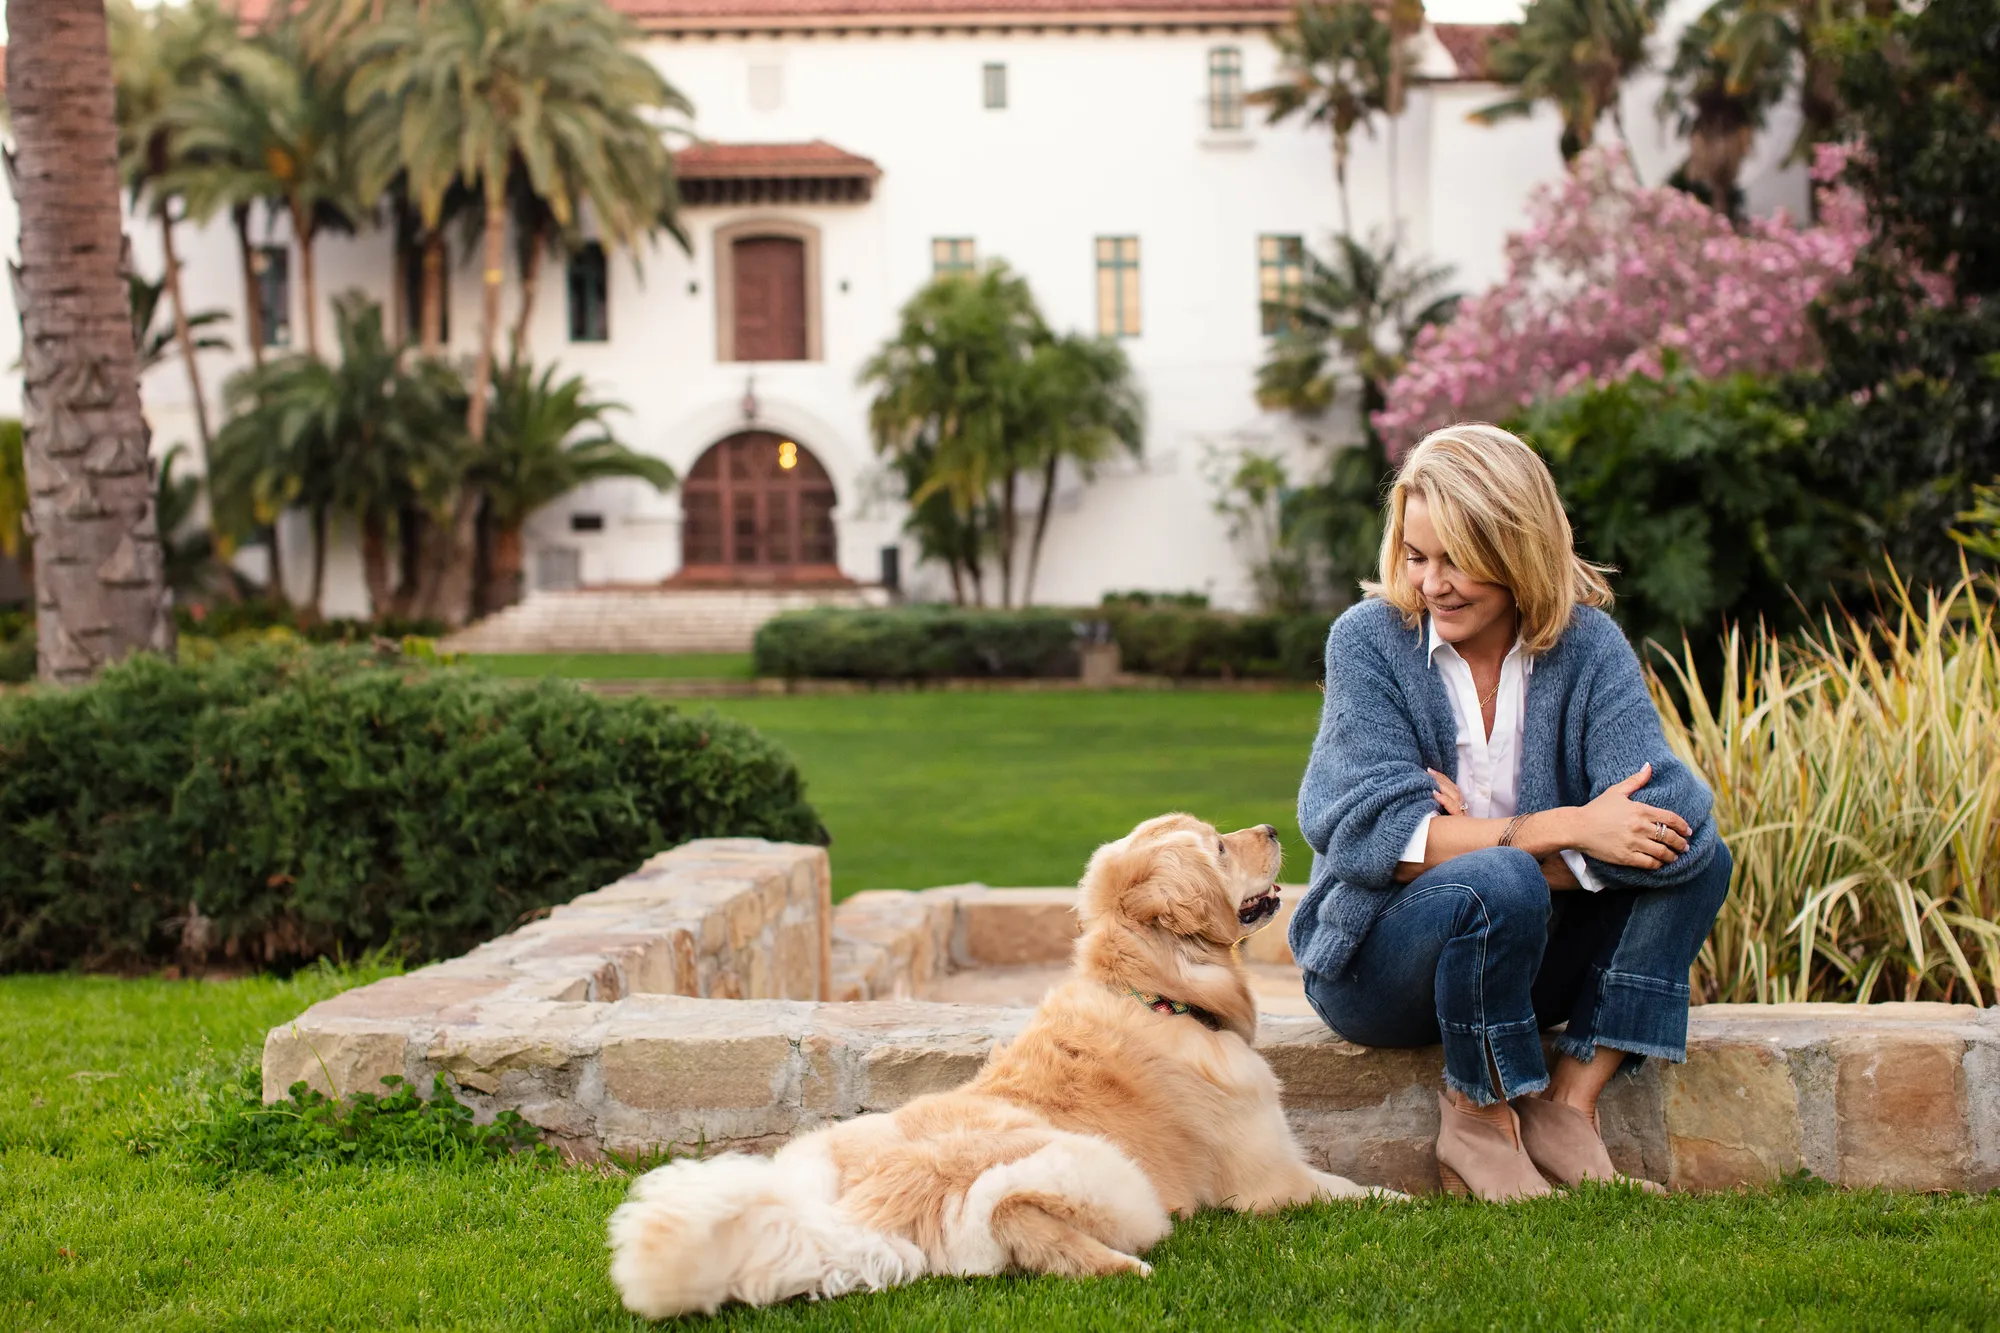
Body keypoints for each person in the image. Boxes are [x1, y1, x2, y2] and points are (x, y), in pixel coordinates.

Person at [1290, 423, 1732, 1200]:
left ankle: (1567, 1102)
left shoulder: (1588, 646)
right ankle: (1478, 1119)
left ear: (1518, 549)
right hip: (1379, 966)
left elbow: (1676, 817)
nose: (1432, 582)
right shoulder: (1368, 640)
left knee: (1699, 862)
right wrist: (1566, 827)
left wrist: (1457, 844)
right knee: (1500, 878)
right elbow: (1359, 831)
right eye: (1418, 555)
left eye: (1458, 558)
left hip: (1522, 959)